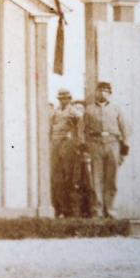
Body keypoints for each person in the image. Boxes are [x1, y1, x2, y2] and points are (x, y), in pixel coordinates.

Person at [84, 81, 129, 218]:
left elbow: (124, 129)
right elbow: (82, 129)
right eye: (100, 90)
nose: (103, 93)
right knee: (96, 179)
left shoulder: (116, 109)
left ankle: (110, 210)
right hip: (95, 144)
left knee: (111, 178)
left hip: (112, 143)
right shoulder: (89, 110)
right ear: (96, 92)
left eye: (106, 90)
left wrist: (124, 147)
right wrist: (84, 146)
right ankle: (97, 211)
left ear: (110, 93)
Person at [49, 88, 76, 217]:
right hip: (55, 143)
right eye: (61, 98)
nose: (63, 100)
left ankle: (68, 209)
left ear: (70, 99)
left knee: (68, 175)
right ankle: (58, 207)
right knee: (55, 176)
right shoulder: (56, 111)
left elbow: (80, 121)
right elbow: (50, 124)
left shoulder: (73, 110)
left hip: (67, 143)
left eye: (66, 98)